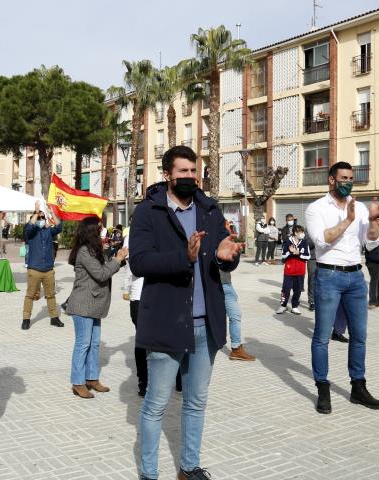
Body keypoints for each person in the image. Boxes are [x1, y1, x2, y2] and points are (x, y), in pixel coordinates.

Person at [129, 145, 243, 480]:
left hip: (205, 325)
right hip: (166, 322)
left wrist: (227, 256)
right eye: (182, 172)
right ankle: (150, 473)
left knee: (196, 402)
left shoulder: (209, 208)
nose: (190, 177)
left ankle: (189, 467)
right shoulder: (149, 212)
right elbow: (139, 262)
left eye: (194, 171)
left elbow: (224, 251)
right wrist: (186, 257)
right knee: (156, 405)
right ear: (167, 174)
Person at [305, 161, 379, 415]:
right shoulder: (316, 208)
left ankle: (358, 387)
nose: (348, 182)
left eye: (351, 178)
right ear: (331, 180)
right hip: (328, 276)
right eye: (343, 177)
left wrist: (372, 220)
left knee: (359, 336)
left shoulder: (360, 207)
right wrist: (348, 220)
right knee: (321, 337)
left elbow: (371, 242)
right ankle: (323, 389)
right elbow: (321, 239)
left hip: (355, 278)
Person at [66, 217, 127, 399]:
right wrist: (117, 259)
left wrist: (118, 259)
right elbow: (101, 274)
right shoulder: (85, 251)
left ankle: (92, 378)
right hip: (83, 304)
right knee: (83, 344)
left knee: (93, 344)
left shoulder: (94, 250)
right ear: (91, 231)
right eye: (100, 229)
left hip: (94, 304)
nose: (103, 232)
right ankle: (78, 382)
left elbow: (105, 268)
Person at [21, 202, 64, 330]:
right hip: (34, 269)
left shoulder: (48, 231)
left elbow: (59, 226)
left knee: (51, 295)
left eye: (42, 218)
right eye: (39, 218)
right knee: (30, 295)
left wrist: (52, 212)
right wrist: (36, 212)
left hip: (48, 270)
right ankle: (26, 319)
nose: (41, 220)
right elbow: (29, 226)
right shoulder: (30, 233)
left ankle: (54, 318)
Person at [222, 222, 256, 362]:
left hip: (225, 283)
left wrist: (235, 255)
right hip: (212, 285)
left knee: (235, 314)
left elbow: (229, 266)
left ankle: (236, 348)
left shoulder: (225, 239)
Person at [123, 221, 147, 397]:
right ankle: (144, 381)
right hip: (139, 296)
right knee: (143, 340)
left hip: (155, 295)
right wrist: (126, 288)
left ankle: (176, 378)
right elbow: (128, 265)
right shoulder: (131, 235)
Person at [276, 225, 311, 315]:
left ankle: (295, 306)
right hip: (289, 271)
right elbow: (283, 256)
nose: (303, 234)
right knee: (285, 290)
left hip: (300, 271)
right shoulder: (287, 242)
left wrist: (298, 253)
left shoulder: (304, 242)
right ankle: (283, 306)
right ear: (296, 233)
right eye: (301, 232)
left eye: (303, 232)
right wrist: (290, 252)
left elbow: (308, 256)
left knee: (298, 290)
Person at [307, 240, 317, 311]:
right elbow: (307, 243)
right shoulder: (309, 229)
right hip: (312, 258)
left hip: (326, 257)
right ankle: (312, 301)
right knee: (312, 279)